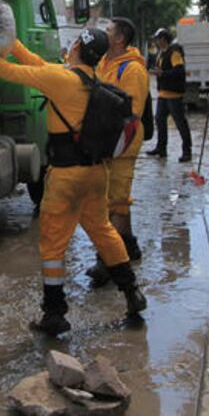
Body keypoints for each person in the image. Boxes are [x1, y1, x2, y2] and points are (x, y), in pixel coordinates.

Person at [0, 26, 147, 335]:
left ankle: (54, 312)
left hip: (65, 176)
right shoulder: (93, 80)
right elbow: (34, 61)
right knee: (103, 231)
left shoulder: (61, 80)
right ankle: (132, 292)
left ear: (75, 47)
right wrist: (10, 39)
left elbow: (6, 69)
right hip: (95, 173)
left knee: (52, 242)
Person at [86, 18, 150, 286]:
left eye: (109, 30)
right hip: (108, 139)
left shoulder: (132, 70)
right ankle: (129, 245)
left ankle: (108, 260)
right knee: (116, 199)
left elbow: (130, 112)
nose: (104, 32)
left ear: (120, 38)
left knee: (114, 201)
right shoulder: (104, 63)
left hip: (123, 140)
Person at [146, 28, 192, 162]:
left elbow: (179, 71)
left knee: (180, 123)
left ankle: (187, 151)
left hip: (174, 95)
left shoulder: (174, 53)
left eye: (157, 39)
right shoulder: (161, 53)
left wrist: (162, 74)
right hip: (163, 93)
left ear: (163, 39)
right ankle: (161, 148)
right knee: (160, 120)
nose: (156, 41)